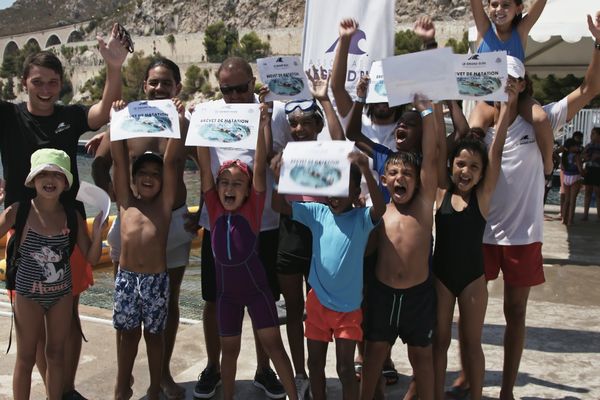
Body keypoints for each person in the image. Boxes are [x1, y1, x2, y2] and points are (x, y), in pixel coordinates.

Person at [461, 14, 600, 399]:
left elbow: (589, 89)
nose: (504, 86)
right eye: (498, 79)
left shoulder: (543, 118)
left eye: (512, 80)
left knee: (515, 315)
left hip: (523, 236)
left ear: (523, 83)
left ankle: (506, 390)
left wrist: (599, 44)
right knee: (468, 311)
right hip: (483, 232)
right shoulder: (481, 122)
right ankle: (466, 378)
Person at [0, 25, 129, 400]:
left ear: (61, 85)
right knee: (31, 334)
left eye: (52, 82)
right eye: (37, 81)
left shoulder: (70, 116)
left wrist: (115, 67)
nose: (45, 88)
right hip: (25, 231)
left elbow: (106, 111)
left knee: (66, 316)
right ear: (23, 82)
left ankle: (64, 389)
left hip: (67, 230)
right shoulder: (8, 116)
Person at [91, 57, 194, 399]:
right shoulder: (128, 121)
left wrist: (205, 213)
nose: (159, 87)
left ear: (177, 87)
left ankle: (160, 377)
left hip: (173, 220)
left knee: (167, 308)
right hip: (132, 220)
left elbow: (208, 165)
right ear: (145, 85)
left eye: (167, 82)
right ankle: (124, 382)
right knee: (127, 323)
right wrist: (118, 199)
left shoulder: (186, 123)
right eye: (153, 82)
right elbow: (108, 163)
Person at [193, 56, 291, 399]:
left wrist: (277, 159)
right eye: (226, 89)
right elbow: (197, 156)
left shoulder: (275, 112)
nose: (234, 95)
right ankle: (213, 366)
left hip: (263, 226)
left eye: (240, 88)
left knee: (265, 298)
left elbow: (287, 153)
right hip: (218, 225)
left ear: (253, 82)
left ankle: (265, 371)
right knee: (213, 299)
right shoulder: (208, 112)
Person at [273, 150, 385, 400]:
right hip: (317, 304)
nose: (335, 195)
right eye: (333, 187)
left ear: (357, 194)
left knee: (345, 369)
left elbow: (380, 208)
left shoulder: (362, 218)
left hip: (348, 310)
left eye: (345, 189)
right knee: (315, 366)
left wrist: (366, 169)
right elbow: (278, 205)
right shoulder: (317, 213)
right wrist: (279, 177)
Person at [432, 74, 515, 400]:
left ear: (482, 174)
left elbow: (496, 150)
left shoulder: (482, 198)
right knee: (439, 342)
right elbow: (438, 144)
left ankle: (477, 396)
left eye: (473, 168)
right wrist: (436, 105)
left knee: (472, 341)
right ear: (451, 166)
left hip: (472, 279)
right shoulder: (441, 192)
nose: (465, 172)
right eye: (460, 164)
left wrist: (506, 107)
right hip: (441, 277)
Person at [0, 149, 104, 400]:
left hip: (61, 295)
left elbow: (91, 257)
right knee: (25, 357)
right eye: (43, 173)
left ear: (66, 182)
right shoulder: (19, 211)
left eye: (57, 175)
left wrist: (99, 227)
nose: (50, 179)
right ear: (33, 179)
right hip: (27, 295)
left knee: (56, 355)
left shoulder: (72, 216)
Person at [360, 95, 438, 400]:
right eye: (393, 173)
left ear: (419, 182)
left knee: (423, 361)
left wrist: (427, 112)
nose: (400, 177)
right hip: (382, 295)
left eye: (407, 173)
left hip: (418, 297)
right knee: (373, 358)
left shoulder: (422, 204)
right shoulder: (380, 211)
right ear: (383, 180)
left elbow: (430, 157)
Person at [271, 73, 345, 399]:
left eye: (305, 123)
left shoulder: (330, 151)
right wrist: (278, 177)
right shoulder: (283, 157)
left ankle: (318, 371)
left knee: (319, 311)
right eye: (294, 124)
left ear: (317, 125)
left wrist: (325, 98)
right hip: (291, 237)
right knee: (293, 307)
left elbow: (342, 141)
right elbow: (277, 205)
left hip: (321, 239)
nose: (299, 129)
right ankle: (300, 373)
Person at [109, 97, 187, 400]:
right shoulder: (126, 203)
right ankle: (121, 385)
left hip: (156, 282)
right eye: (143, 173)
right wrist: (115, 119)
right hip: (127, 280)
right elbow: (118, 160)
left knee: (155, 336)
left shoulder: (165, 207)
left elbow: (170, 161)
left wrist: (177, 122)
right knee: (127, 336)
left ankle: (154, 387)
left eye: (155, 175)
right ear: (132, 179)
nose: (149, 178)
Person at [470, 0, 555, 177]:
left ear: (519, 9)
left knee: (541, 118)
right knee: (473, 131)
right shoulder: (484, 29)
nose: (499, 9)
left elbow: (540, 5)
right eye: (494, 4)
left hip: (517, 98)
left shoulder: (521, 32)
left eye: (505, 5)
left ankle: (548, 164)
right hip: (488, 101)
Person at [560, 138, 583, 226]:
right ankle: (570, 220)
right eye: (576, 146)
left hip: (566, 177)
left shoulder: (564, 156)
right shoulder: (576, 156)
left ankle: (563, 219)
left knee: (566, 200)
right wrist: (585, 172)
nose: (577, 147)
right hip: (575, 177)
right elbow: (580, 170)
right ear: (571, 147)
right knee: (573, 201)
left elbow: (562, 168)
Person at [582, 127, 600, 221]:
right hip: (589, 169)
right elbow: (582, 156)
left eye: (593, 133)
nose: (591, 135)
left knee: (598, 192)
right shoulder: (589, 145)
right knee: (588, 191)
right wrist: (585, 156)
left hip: (598, 170)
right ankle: (585, 215)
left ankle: (599, 216)